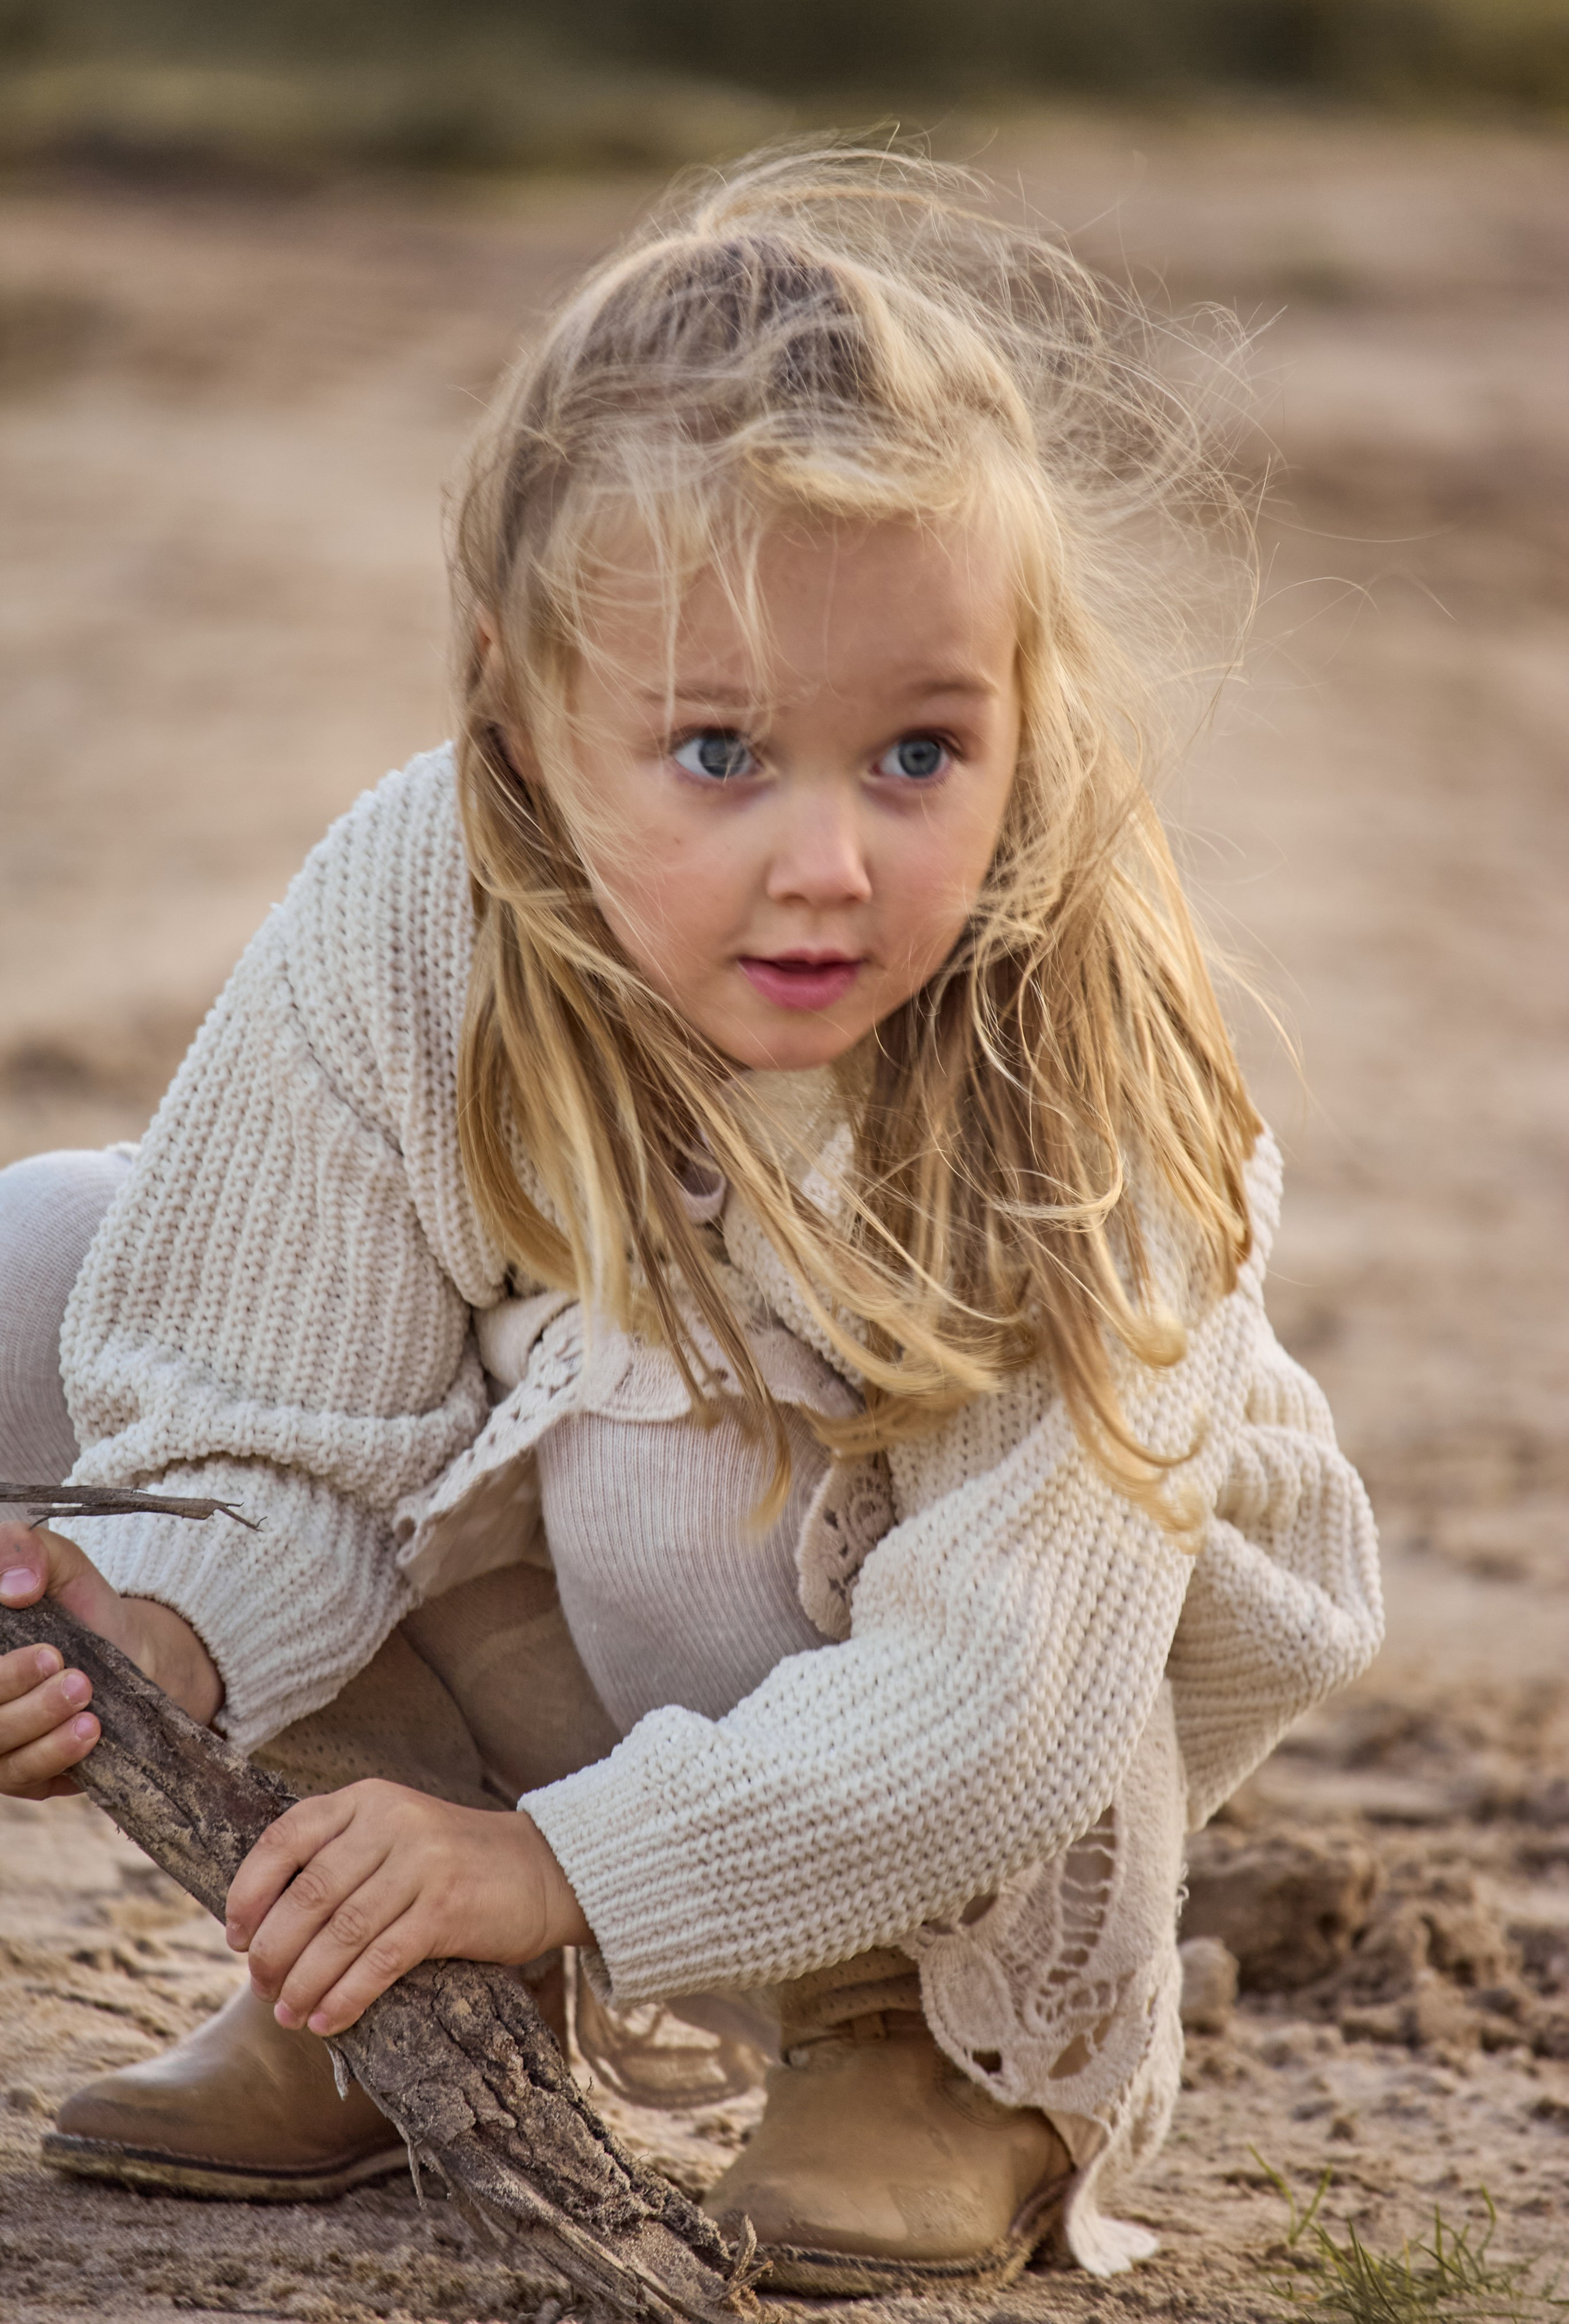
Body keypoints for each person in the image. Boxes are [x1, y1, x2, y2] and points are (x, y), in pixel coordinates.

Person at [0, 145, 1381, 2293]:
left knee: (673, 1421)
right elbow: (274, 1405)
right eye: (721, 751)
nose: (828, 862)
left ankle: (940, 2055)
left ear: (1025, 703)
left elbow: (1006, 1689)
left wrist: (553, 1861)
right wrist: (150, 1632)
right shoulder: (415, 895)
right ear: (521, 716)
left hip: (984, 1742)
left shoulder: (1074, 1044)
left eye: (920, 754)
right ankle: (362, 1958)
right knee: (61, 1269)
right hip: (614, 1608)